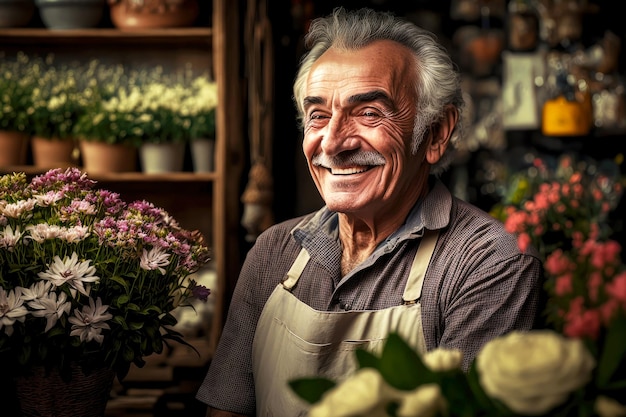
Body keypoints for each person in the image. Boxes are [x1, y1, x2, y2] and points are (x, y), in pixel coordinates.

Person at [196, 7, 543, 417]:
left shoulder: (487, 264)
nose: (332, 144)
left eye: (369, 113)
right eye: (318, 116)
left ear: (435, 133)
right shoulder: (274, 252)